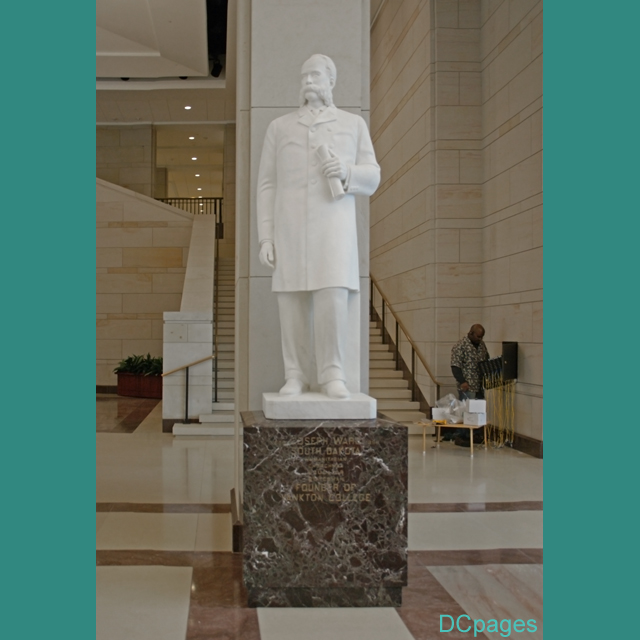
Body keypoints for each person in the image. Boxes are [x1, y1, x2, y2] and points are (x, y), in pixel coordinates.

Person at [256, 54, 380, 399]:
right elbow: (267, 184)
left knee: (332, 299)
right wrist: (266, 236)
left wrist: (346, 171)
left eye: (315, 76)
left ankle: (332, 373)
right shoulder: (280, 127)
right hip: (289, 228)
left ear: (331, 81)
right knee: (291, 301)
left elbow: (373, 175)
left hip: (334, 229)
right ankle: (295, 374)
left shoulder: (352, 124)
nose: (308, 81)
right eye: (304, 76)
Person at [448, 324, 490, 446]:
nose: (480, 339)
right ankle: (462, 436)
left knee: (478, 412)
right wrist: (462, 381)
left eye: (482, 337)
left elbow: (486, 360)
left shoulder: (482, 345)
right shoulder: (460, 346)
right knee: (466, 411)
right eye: (478, 336)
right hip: (467, 385)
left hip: (479, 384)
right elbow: (455, 366)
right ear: (471, 333)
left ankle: (475, 434)